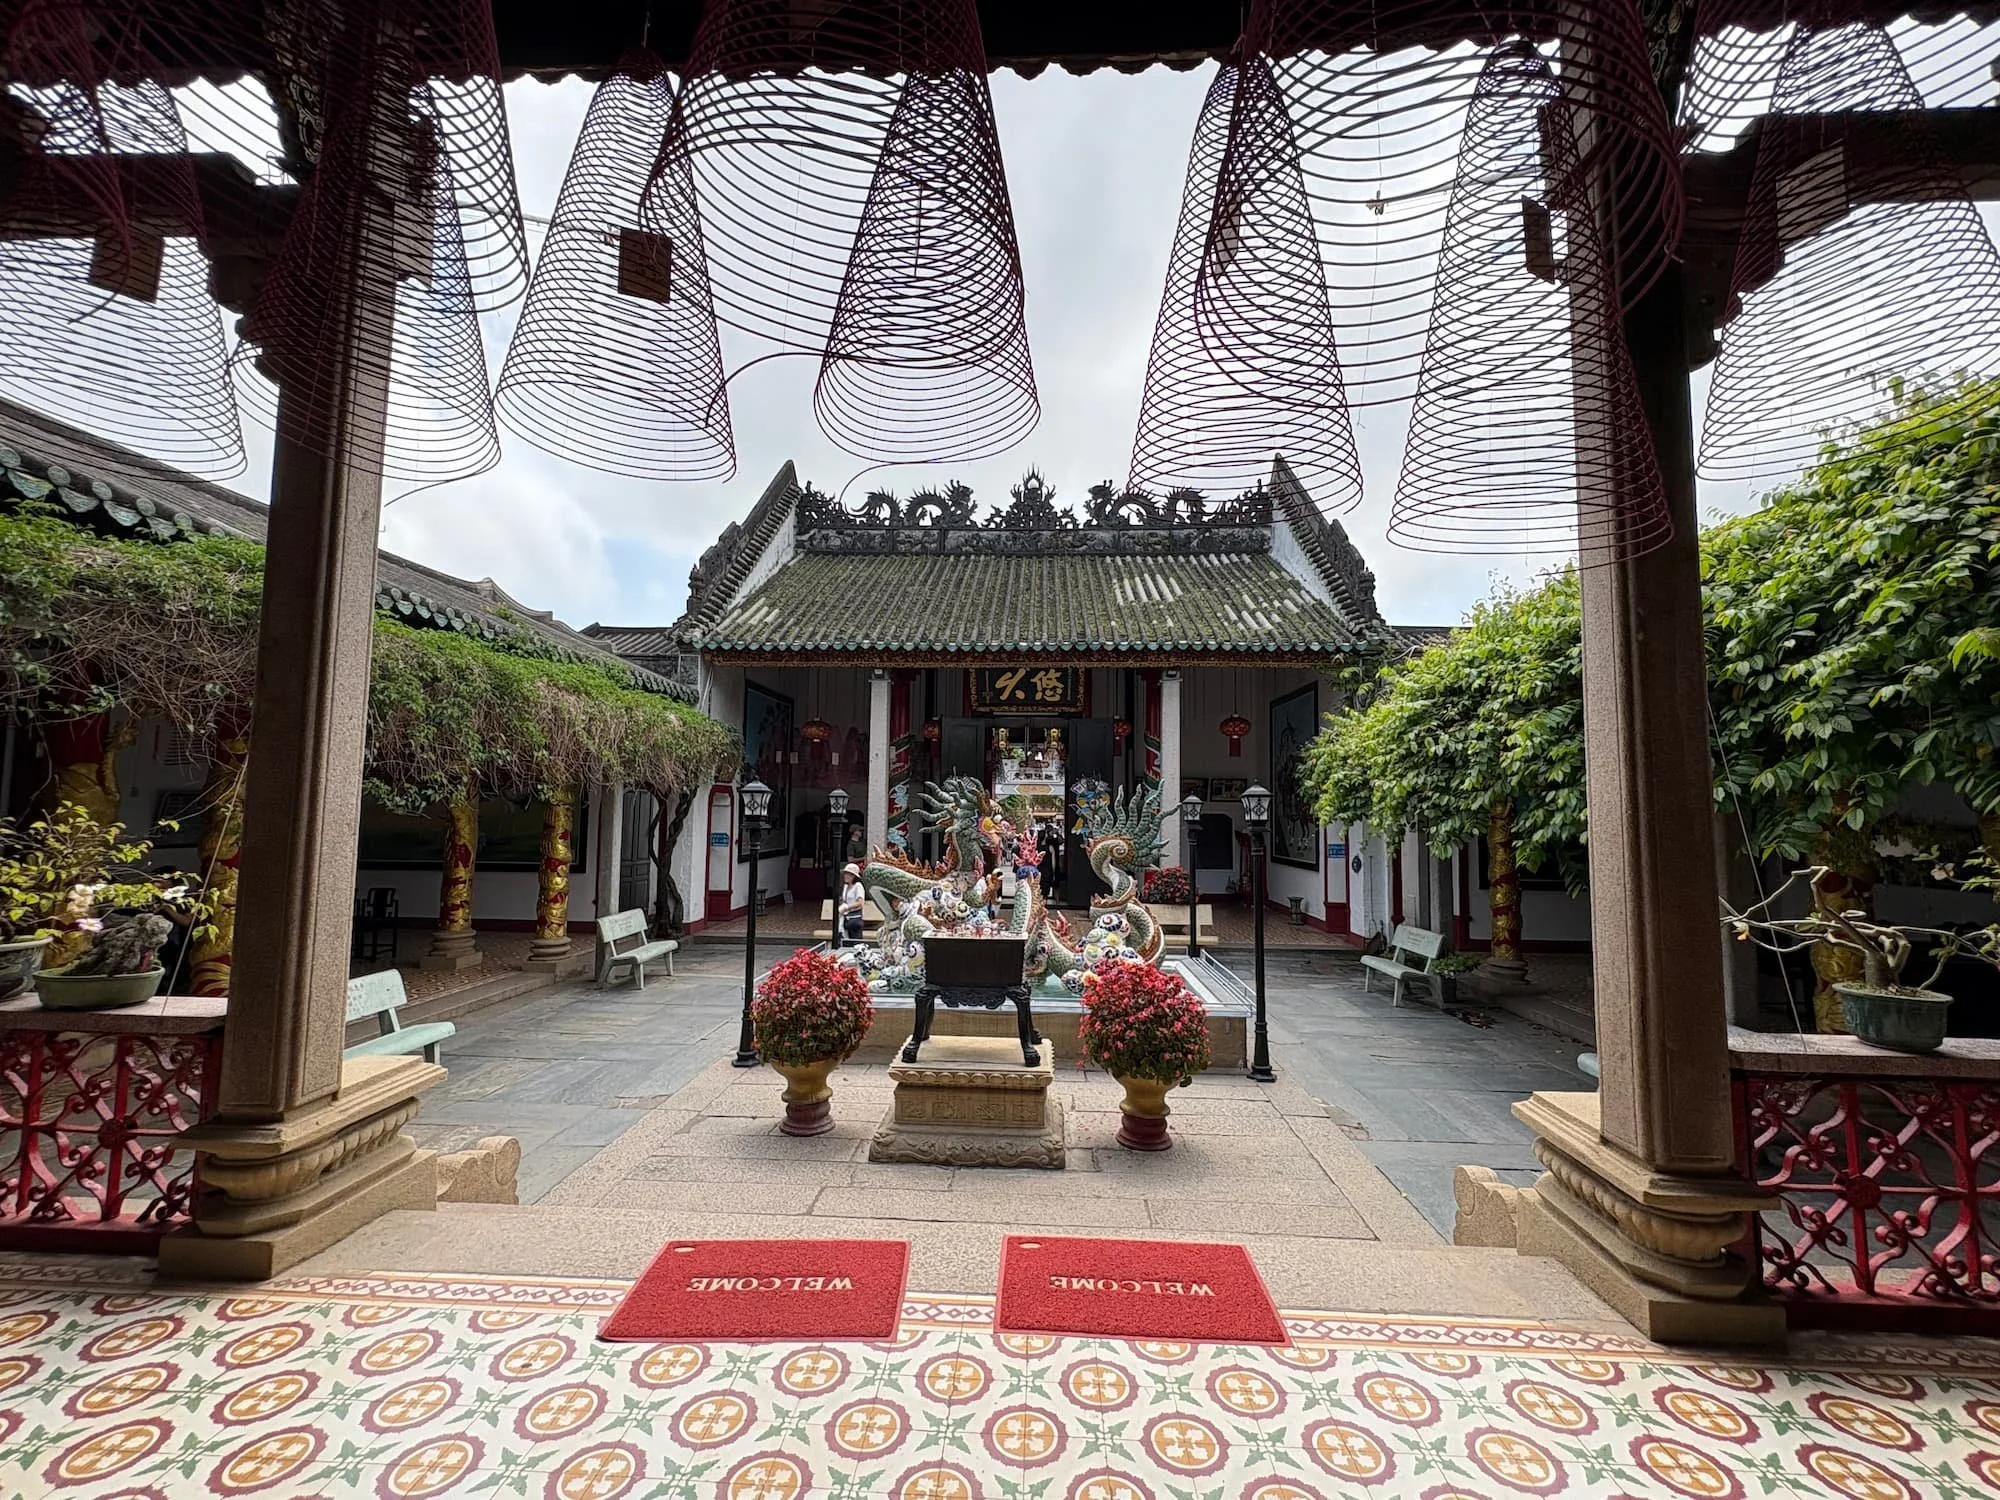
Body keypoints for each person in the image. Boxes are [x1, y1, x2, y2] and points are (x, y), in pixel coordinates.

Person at [837, 862, 866, 946]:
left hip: (854, 919)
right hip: (846, 919)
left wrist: (847, 907)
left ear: (854, 876)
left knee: (857, 944)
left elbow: (860, 902)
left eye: (849, 874)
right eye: (846, 874)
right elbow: (845, 900)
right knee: (845, 942)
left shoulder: (858, 886)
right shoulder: (846, 887)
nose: (846, 876)